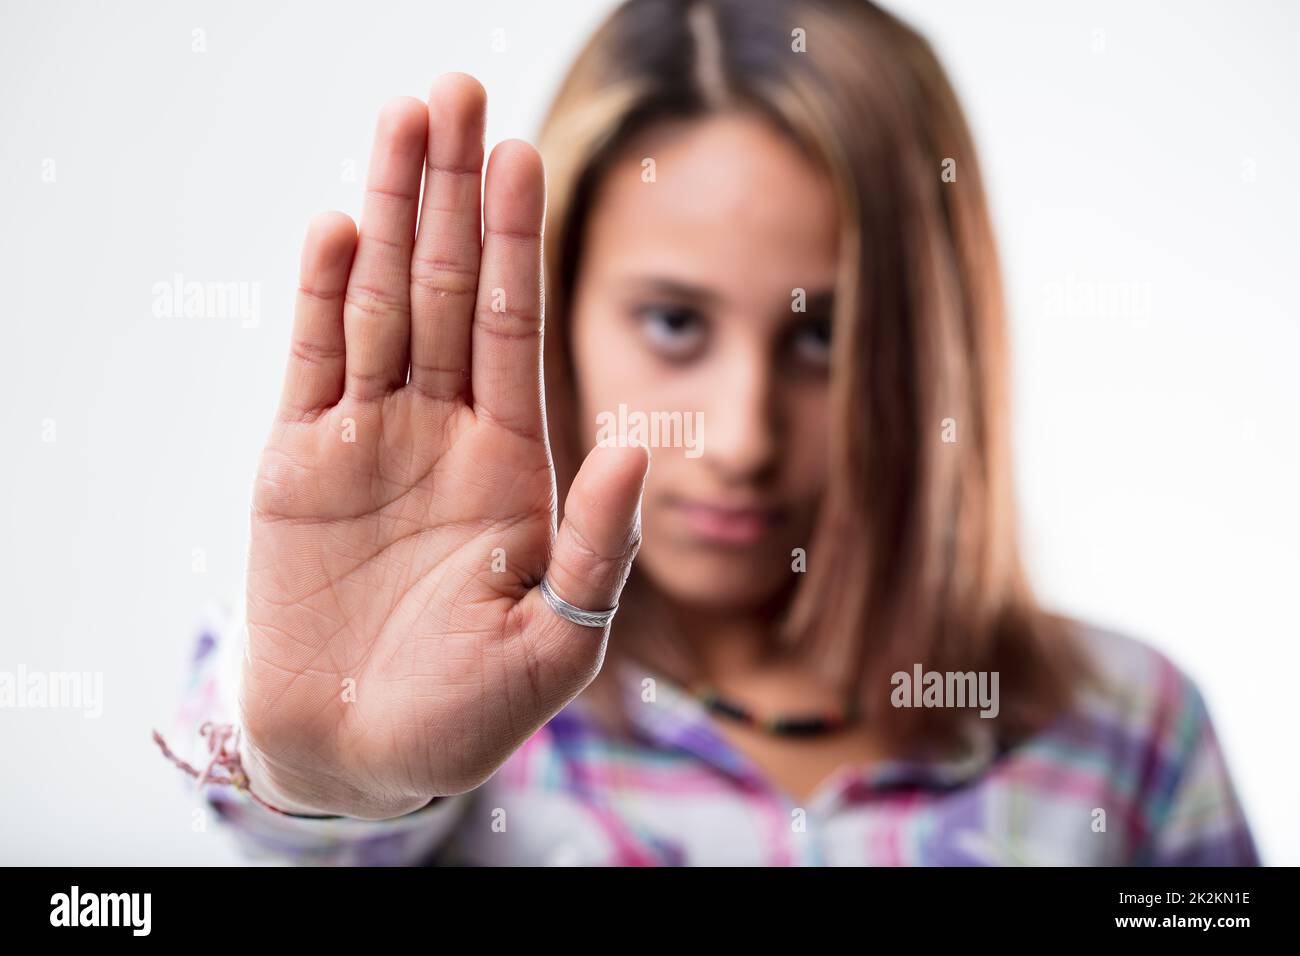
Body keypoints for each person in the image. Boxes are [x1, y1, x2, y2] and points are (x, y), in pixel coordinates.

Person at [160, 0, 1259, 865]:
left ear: (935, 345)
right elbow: (293, 794)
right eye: (674, 321)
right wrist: (318, 769)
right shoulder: (464, 703)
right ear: (557, 310)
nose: (740, 436)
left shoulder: (1131, 730)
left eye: (822, 334)